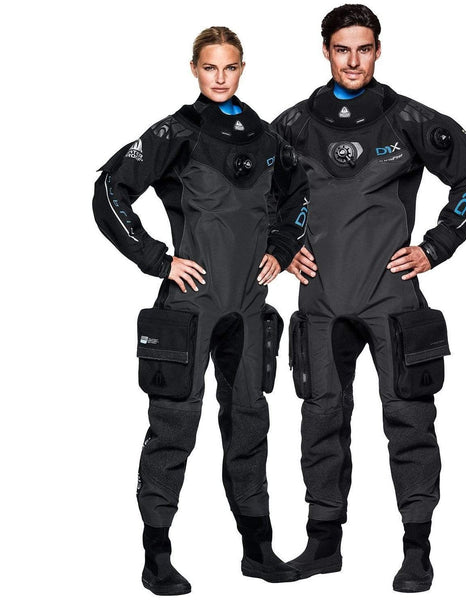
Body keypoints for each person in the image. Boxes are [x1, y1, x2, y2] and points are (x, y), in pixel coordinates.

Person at [272, 4, 466, 593]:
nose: (353, 61)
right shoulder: (293, 125)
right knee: (320, 417)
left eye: (363, 49)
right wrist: (284, 247)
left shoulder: (408, 120)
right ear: (325, 50)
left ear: (377, 50)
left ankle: (417, 549)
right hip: (321, 299)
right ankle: (323, 545)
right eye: (342, 49)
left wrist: (437, 246)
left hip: (392, 297)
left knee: (409, 418)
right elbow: (254, 193)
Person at [93, 26, 309, 595]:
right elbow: (110, 191)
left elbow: (299, 194)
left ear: (242, 68)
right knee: (173, 427)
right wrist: (157, 260)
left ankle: (257, 550)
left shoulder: (267, 138)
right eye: (210, 67)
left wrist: (282, 248)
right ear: (194, 68)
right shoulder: (176, 133)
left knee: (250, 422)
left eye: (230, 67)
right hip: (188, 307)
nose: (220, 77)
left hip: (248, 305)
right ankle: (156, 555)